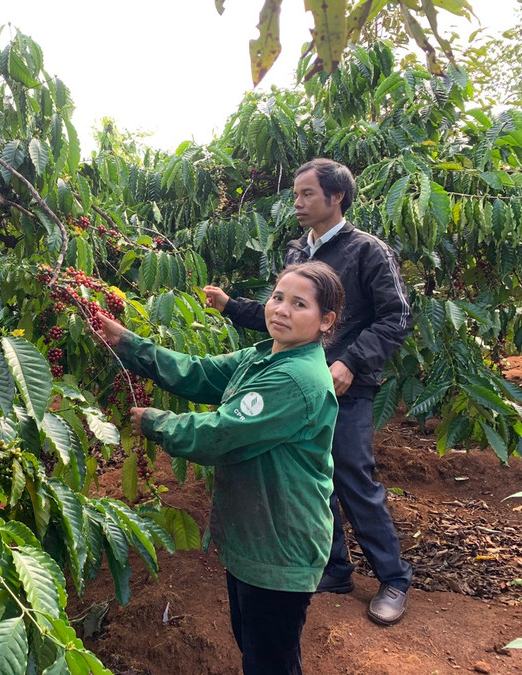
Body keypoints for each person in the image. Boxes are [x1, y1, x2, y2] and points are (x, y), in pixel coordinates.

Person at [93, 261, 344, 675]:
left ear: (325, 320)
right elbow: (200, 373)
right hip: (256, 539)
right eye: (278, 297)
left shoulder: (296, 379)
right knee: (257, 649)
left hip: (280, 546)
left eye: (299, 304)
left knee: (270, 662)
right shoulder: (264, 355)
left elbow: (222, 435)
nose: (281, 310)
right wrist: (128, 343)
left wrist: (158, 423)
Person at [204, 158, 414, 626]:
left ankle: (394, 577)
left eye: (307, 194)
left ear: (336, 197)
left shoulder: (368, 250)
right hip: (296, 383)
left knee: (353, 475)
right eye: (295, 194)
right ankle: (335, 568)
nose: (297, 203)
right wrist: (230, 306)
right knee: (313, 475)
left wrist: (350, 362)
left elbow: (397, 316)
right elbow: (282, 311)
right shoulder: (298, 251)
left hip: (345, 386)